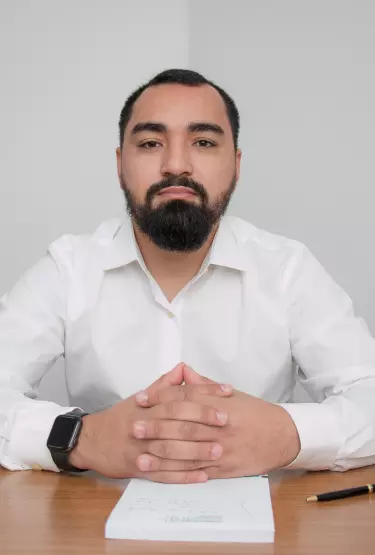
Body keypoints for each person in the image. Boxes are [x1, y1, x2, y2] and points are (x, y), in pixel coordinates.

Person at [1, 69, 375, 484]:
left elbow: (369, 392)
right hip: (98, 532)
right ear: (120, 165)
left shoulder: (287, 270)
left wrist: (288, 435)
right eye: (149, 143)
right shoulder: (67, 269)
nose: (176, 165)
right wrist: (81, 439)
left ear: (235, 166)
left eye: (203, 142)